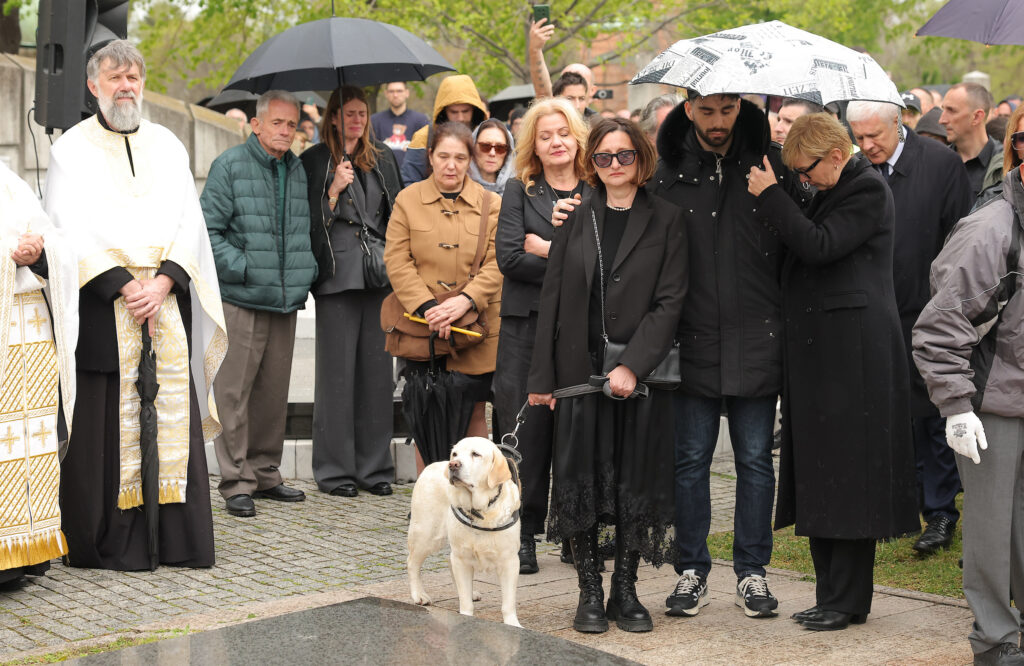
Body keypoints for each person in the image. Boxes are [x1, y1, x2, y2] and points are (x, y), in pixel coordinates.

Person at [48, 40, 226, 570]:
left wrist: (165, 282)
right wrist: (126, 285)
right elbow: (65, 227)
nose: (126, 87)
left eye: (134, 78)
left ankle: (177, 540)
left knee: (172, 417)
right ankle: (111, 542)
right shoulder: (70, 150)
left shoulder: (169, 144)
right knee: (107, 426)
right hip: (107, 310)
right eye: (115, 77)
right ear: (93, 85)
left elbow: (188, 223)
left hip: (165, 306)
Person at [748, 112, 919, 631]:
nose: (802, 179)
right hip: (826, 355)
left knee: (850, 477)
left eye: (807, 170)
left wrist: (772, 194)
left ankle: (845, 600)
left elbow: (819, 245)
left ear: (837, 156)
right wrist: (791, 191)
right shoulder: (830, 186)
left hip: (856, 357)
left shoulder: (866, 190)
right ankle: (834, 596)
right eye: (795, 172)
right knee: (824, 474)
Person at [527, 117, 687, 634]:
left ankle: (627, 591)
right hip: (578, 374)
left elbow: (670, 302)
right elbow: (551, 298)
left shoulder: (667, 218)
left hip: (638, 381)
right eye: (603, 157)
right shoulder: (575, 216)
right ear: (590, 162)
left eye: (624, 155)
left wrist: (631, 364)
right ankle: (590, 591)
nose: (615, 165)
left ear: (641, 158)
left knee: (632, 484)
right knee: (581, 484)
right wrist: (541, 380)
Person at [652, 90, 802, 619]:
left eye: (728, 110)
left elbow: (800, 242)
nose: (718, 122)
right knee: (689, 461)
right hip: (689, 338)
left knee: (756, 462)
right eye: (708, 111)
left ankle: (753, 572)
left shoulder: (771, 165)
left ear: (741, 108)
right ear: (689, 108)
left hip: (758, 336)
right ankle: (691, 570)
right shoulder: (664, 172)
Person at [911, 132, 1024, 666]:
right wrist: (956, 406)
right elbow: (939, 327)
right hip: (992, 404)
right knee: (991, 526)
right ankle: (995, 639)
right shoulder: (990, 231)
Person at [846, 100, 973, 556]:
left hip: (929, 311)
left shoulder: (939, 164)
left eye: (874, 136)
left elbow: (961, 238)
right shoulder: (857, 168)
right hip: (873, 315)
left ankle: (940, 511)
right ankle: (899, 506)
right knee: (888, 416)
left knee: (933, 416)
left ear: (899, 125)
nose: (866, 145)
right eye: (858, 137)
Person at [201, 90, 317, 519]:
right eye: (277, 123)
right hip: (243, 298)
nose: (285, 131)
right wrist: (246, 268)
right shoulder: (229, 166)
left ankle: (266, 472)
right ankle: (235, 482)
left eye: (292, 124)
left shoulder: (299, 170)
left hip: (284, 302)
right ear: (257, 125)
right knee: (233, 394)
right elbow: (208, 232)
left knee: (272, 395)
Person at [493, 97, 590, 575]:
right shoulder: (519, 190)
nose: (556, 142)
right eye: (546, 135)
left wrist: (548, 248)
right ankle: (523, 533)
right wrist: (563, 258)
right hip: (524, 328)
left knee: (574, 431)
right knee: (525, 432)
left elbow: (602, 265)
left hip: (577, 328)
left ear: (578, 138)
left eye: (564, 133)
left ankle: (573, 534)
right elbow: (509, 259)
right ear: (534, 142)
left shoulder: (596, 189)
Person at [300, 86, 402, 498]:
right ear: (334, 117)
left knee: (378, 377)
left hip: (378, 275)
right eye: (349, 113)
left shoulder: (383, 159)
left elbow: (397, 215)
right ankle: (335, 471)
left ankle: (375, 468)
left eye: (363, 113)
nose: (357, 120)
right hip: (337, 275)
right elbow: (306, 220)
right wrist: (333, 191)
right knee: (337, 376)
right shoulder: (314, 160)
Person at [384, 122, 502, 444]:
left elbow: (497, 262)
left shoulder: (491, 204)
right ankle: (432, 493)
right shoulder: (407, 200)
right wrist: (428, 309)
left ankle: (474, 493)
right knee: (426, 412)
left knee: (474, 411)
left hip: (474, 325)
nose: (452, 165)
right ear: (431, 156)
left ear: (471, 160)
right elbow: (396, 259)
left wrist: (464, 302)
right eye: (444, 156)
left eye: (461, 158)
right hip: (422, 327)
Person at [0, 162, 76, 586]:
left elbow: (57, 242)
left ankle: (24, 552)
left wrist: (40, 251)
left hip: (30, 335)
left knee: (29, 447)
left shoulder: (8, 179)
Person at [399, 75, 488, 186]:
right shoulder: (424, 137)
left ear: (474, 110)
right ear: (443, 111)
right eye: (454, 112)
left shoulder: (485, 136)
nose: (460, 118)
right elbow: (410, 181)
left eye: (465, 111)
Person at [940, 83, 1004, 199]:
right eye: (943, 110)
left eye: (951, 110)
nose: (942, 120)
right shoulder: (938, 162)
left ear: (977, 117)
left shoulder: (1005, 165)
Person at [528, 19, 596, 118]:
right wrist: (535, 50)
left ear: (591, 91)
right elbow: (543, 93)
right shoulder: (551, 119)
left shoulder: (598, 126)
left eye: (581, 98)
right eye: (569, 98)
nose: (576, 105)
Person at [371, 81, 429, 170]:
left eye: (399, 91)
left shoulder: (421, 120)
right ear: (386, 94)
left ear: (407, 93)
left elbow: (425, 153)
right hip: (383, 176)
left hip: (412, 176)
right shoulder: (374, 120)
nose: (395, 95)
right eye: (391, 91)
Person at [469, 118, 516, 195]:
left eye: (500, 148)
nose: (492, 153)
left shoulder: (520, 191)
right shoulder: (457, 187)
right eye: (485, 146)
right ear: (473, 148)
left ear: (508, 153)